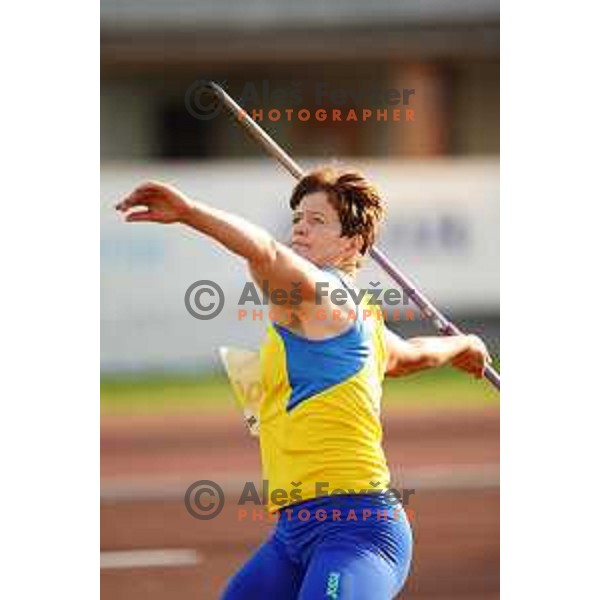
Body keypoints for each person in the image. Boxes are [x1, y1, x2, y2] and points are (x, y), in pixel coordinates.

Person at [116, 167, 491, 599]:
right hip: (293, 533)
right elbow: (412, 356)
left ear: (352, 242)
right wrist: (466, 345)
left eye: (317, 220)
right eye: (297, 217)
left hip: (357, 532)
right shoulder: (359, 316)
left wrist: (189, 212)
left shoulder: (324, 298)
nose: (300, 227)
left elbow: (266, 255)